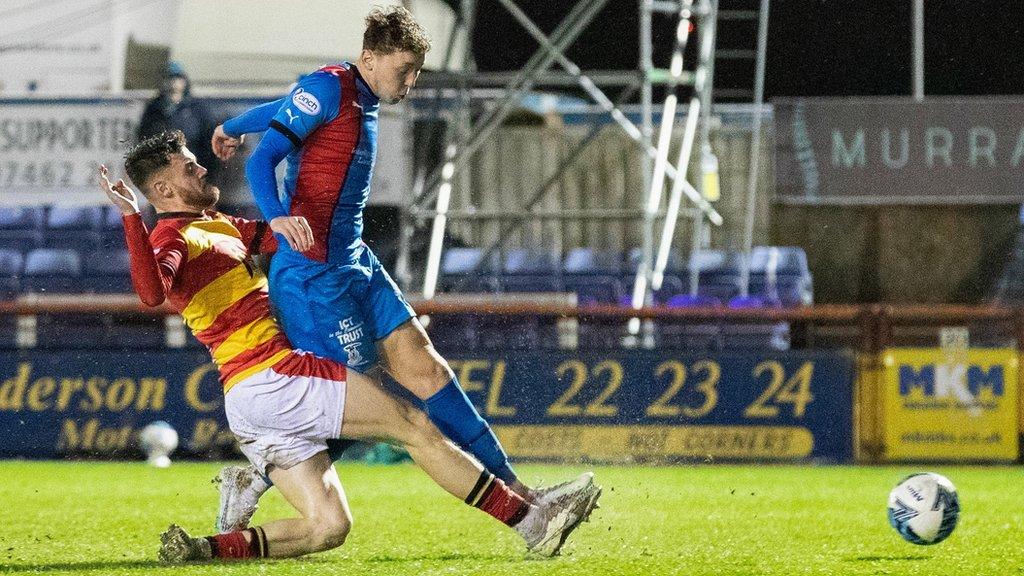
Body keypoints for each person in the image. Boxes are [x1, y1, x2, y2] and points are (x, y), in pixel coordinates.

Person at [101, 131, 601, 563]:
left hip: (250, 401)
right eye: (189, 167)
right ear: (164, 189)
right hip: (276, 377)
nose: (202, 168)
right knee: (415, 426)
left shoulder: (220, 226)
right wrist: (132, 220)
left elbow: (289, 240)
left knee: (328, 528)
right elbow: (150, 293)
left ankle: (205, 548)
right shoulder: (171, 236)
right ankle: (530, 522)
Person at [210, 5, 573, 529]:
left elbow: (285, 109)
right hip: (312, 275)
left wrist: (233, 122)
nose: (411, 81)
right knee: (367, 399)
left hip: (355, 260)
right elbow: (262, 159)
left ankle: (522, 491)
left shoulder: (353, 94)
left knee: (427, 368)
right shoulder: (329, 85)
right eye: (404, 70)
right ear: (370, 59)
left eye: (416, 71)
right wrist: (278, 217)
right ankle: (256, 479)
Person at [137, 62, 220, 184]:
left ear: (184, 81)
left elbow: (209, 144)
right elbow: (143, 139)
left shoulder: (197, 109)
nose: (172, 83)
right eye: (168, 78)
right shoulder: (153, 109)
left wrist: (206, 176)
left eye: (176, 78)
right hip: (163, 176)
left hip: (192, 174)